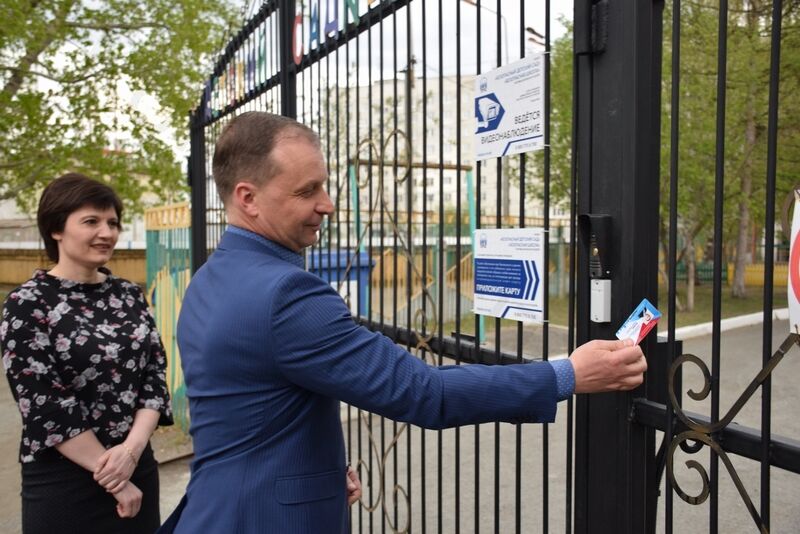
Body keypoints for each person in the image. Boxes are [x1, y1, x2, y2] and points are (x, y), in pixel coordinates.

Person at [160, 112, 647, 533]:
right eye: (307, 191)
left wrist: (315, 474)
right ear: (247, 198)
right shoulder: (286, 294)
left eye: (324, 184)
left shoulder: (210, 278)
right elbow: (424, 392)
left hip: (218, 507)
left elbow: (248, 408)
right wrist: (568, 374)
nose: (327, 203)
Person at [0, 173, 173, 533]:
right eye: (91, 221)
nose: (106, 232)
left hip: (136, 468)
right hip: (65, 483)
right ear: (56, 229)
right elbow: (45, 404)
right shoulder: (27, 303)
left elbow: (154, 377)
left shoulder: (130, 295)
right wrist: (116, 479)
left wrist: (130, 453)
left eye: (113, 222)